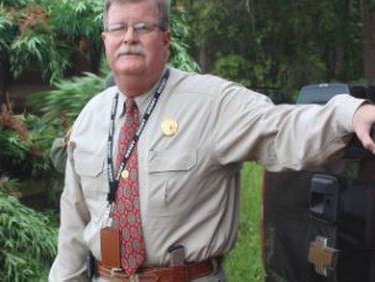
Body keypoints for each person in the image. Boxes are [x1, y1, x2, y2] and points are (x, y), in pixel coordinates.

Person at [49, 0, 375, 281]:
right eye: (119, 28)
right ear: (105, 39)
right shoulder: (91, 117)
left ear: (165, 39)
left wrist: (351, 113)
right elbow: (74, 226)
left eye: (143, 27)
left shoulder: (212, 102)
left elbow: (281, 126)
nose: (129, 38)